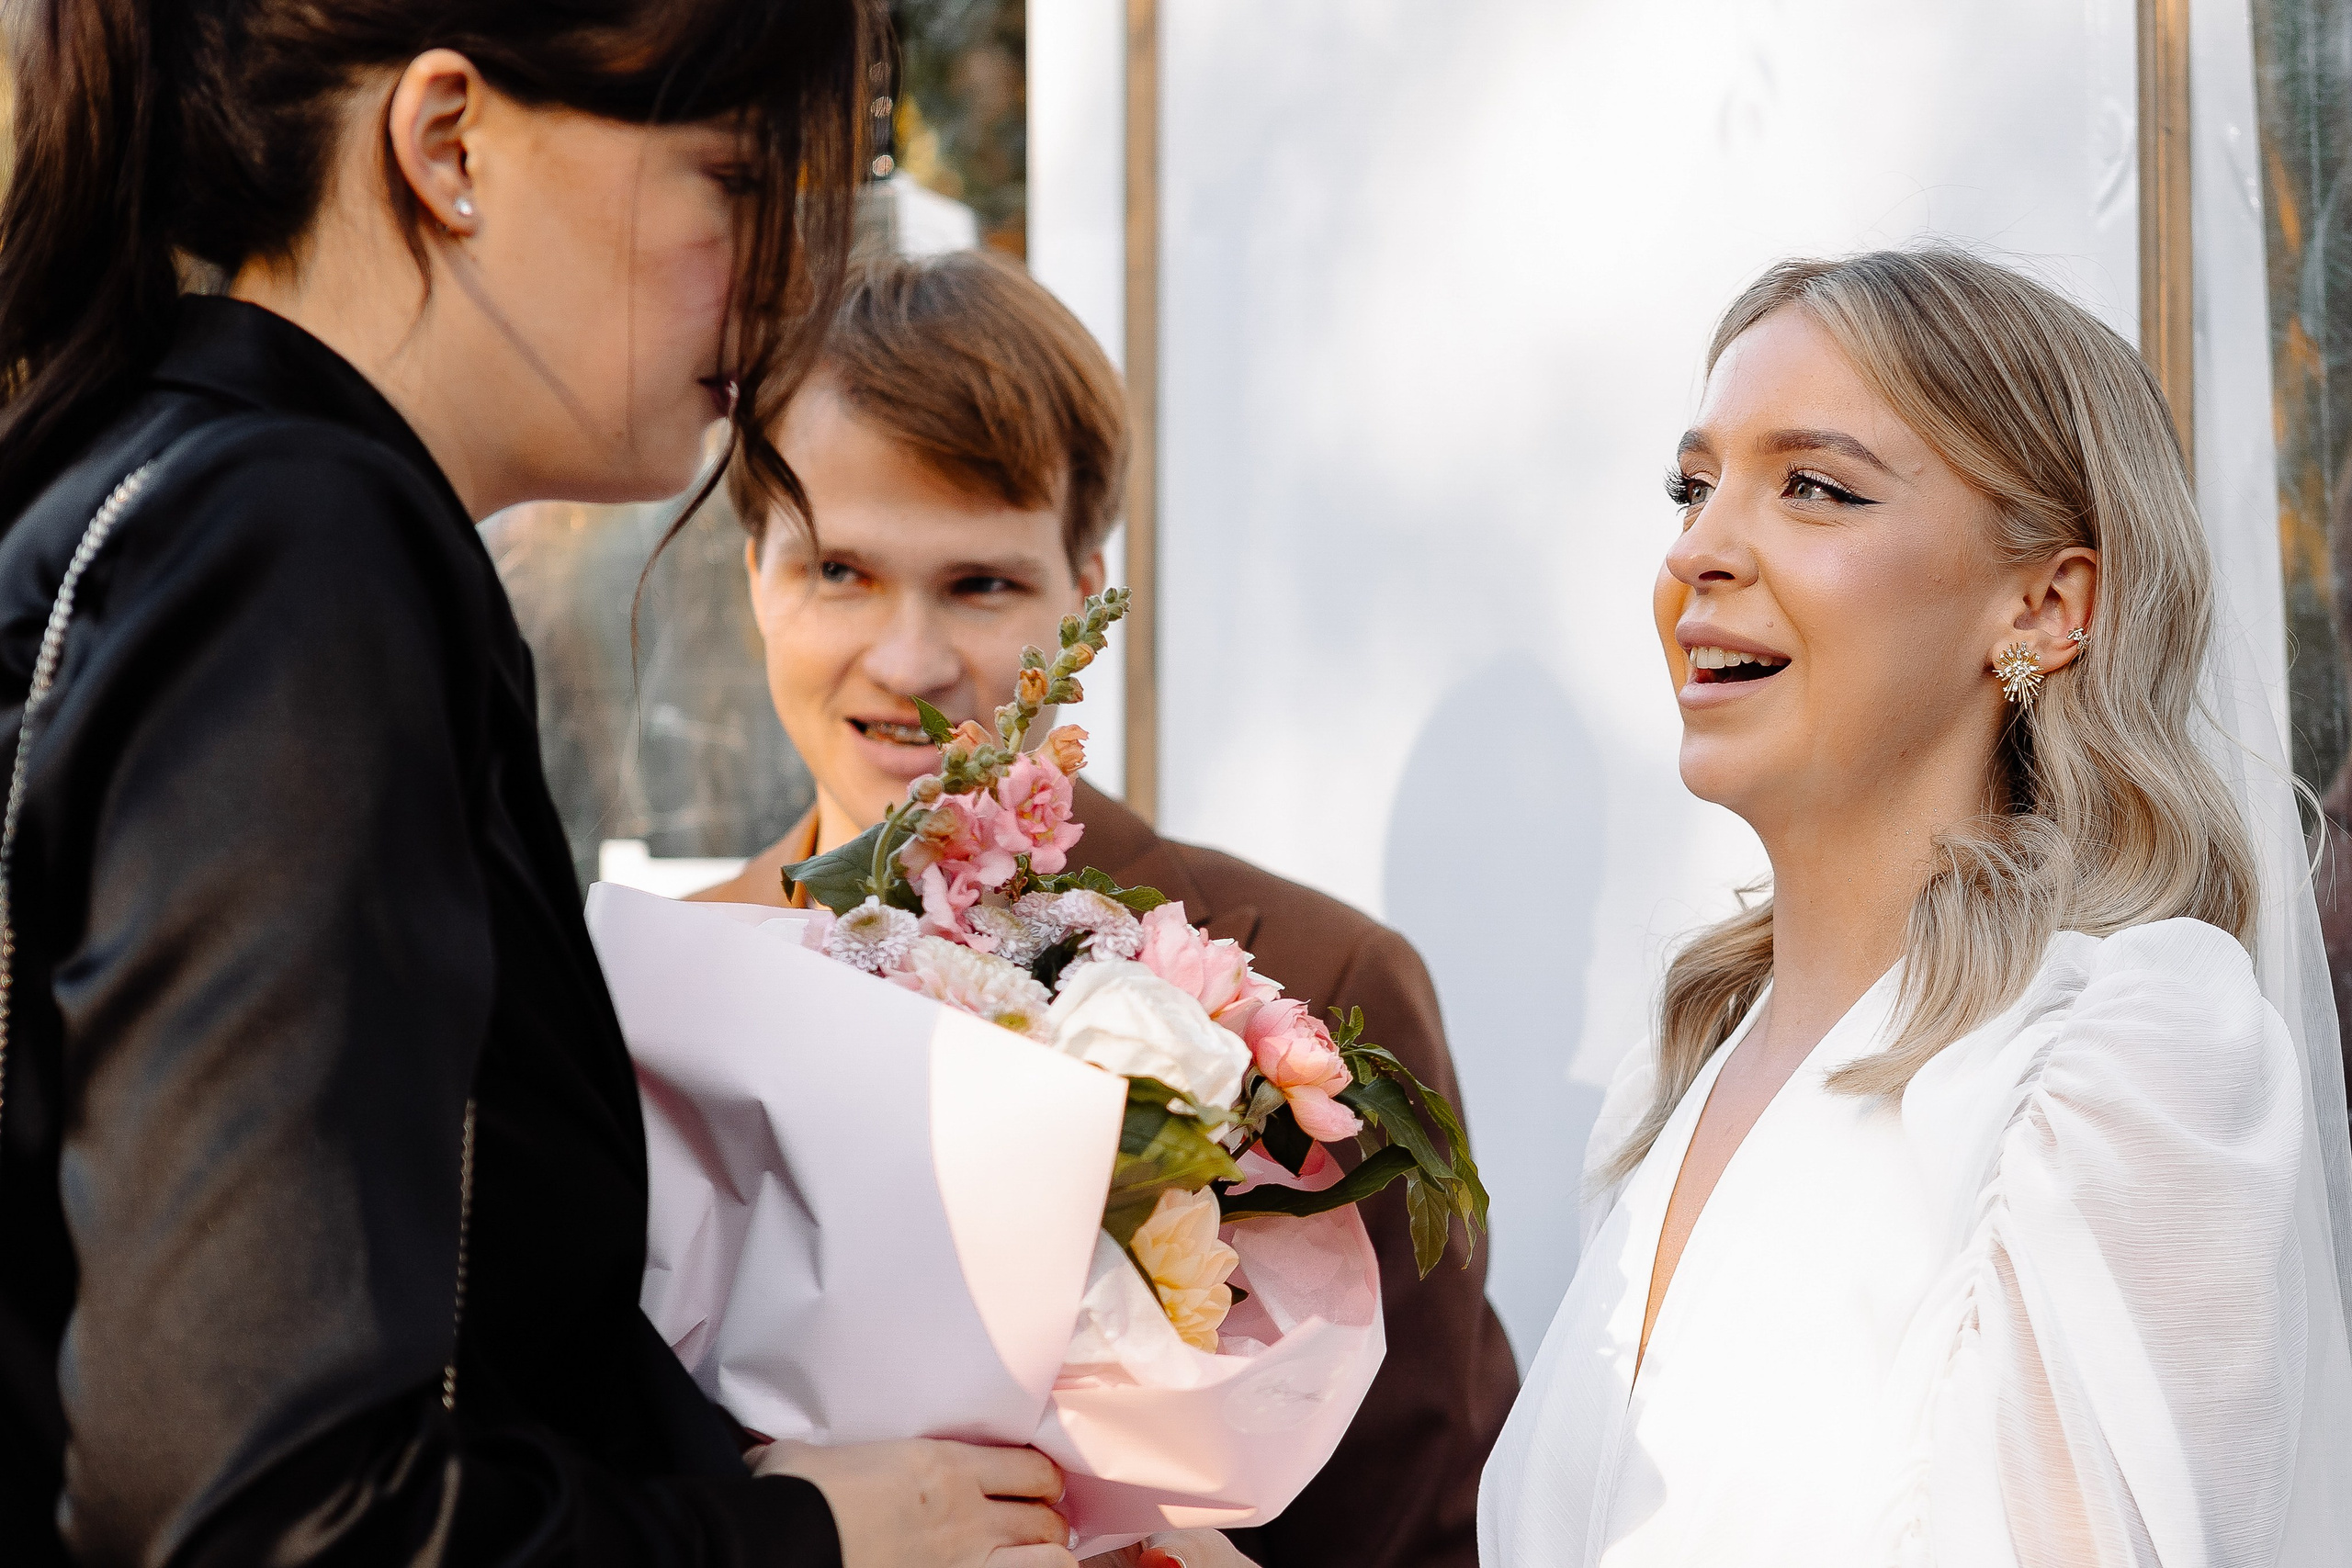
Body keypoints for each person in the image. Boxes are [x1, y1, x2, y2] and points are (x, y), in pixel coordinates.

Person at [0, 5, 1079, 1565]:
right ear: (449, 144)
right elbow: (268, 1509)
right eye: (734, 181)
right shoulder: (294, 551)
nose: (785, 286)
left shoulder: (146, 490)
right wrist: (799, 1543)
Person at [1476, 248, 2352, 1565]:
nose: (1698, 550)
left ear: (2049, 604)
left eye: (1815, 488)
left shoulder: (2126, 1058)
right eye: (1694, 485)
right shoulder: (1674, 1082)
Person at [692, 249, 1521, 1568]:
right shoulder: (666, 987)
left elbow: (1423, 1534)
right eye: (838, 572)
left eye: (981, 585)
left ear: (1086, 585)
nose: (908, 662)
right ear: (753, 571)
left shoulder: (1309, 976)